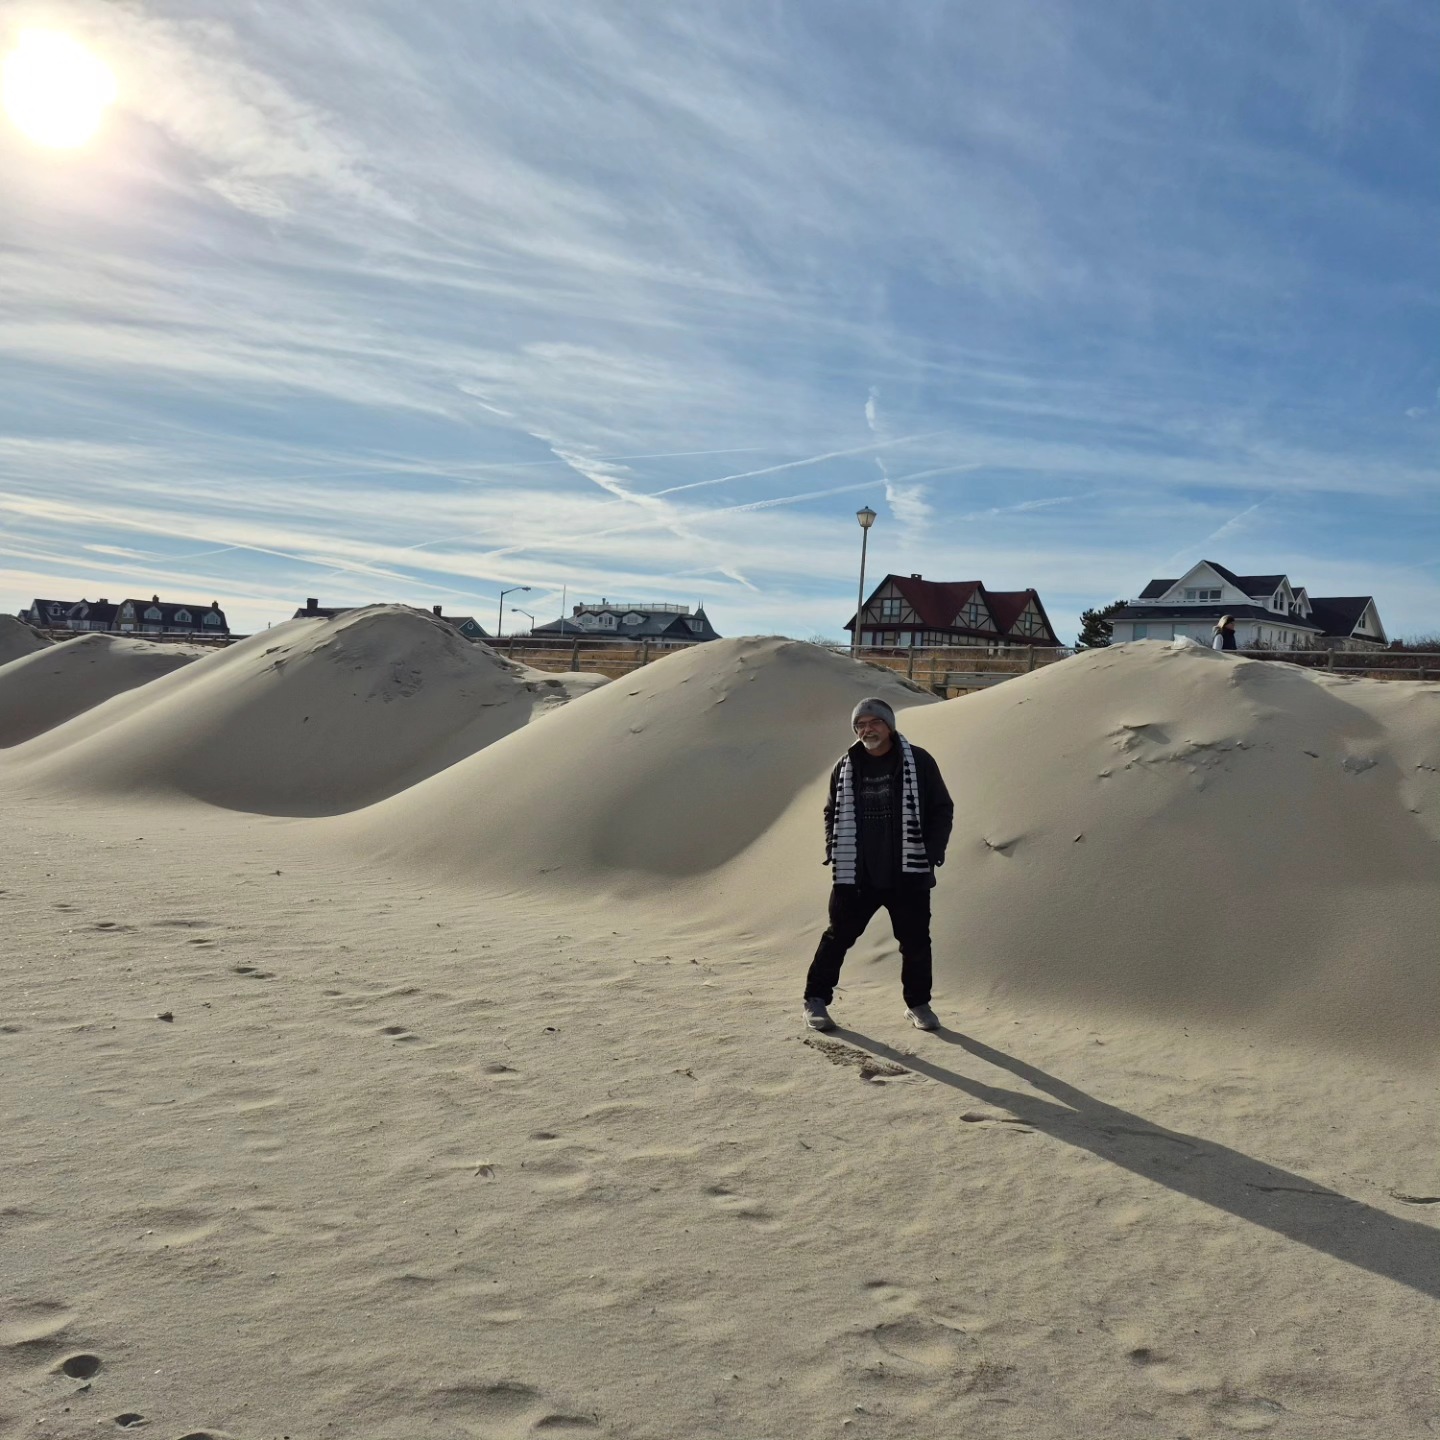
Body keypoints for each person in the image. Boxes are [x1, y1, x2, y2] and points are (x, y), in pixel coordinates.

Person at [803, 697, 954, 1033]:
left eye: (874, 722)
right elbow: (831, 811)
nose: (867, 730)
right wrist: (833, 845)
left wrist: (931, 851)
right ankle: (815, 999)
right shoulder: (845, 766)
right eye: (860, 724)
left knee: (916, 943)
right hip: (857, 874)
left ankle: (918, 1004)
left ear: (889, 726)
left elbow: (941, 808)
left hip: (908, 872)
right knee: (837, 937)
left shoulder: (919, 761)